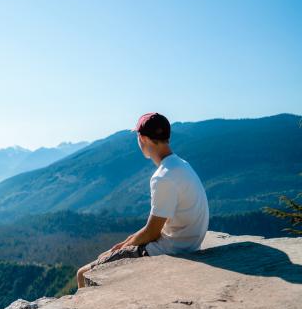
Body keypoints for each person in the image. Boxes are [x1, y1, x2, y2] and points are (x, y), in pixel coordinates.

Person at [76, 112, 209, 288]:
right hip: (189, 243)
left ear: (143, 138)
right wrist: (127, 241)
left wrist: (124, 247)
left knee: (82, 274)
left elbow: (152, 233)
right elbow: (157, 225)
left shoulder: (162, 177)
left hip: (172, 249)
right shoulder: (182, 165)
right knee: (114, 251)